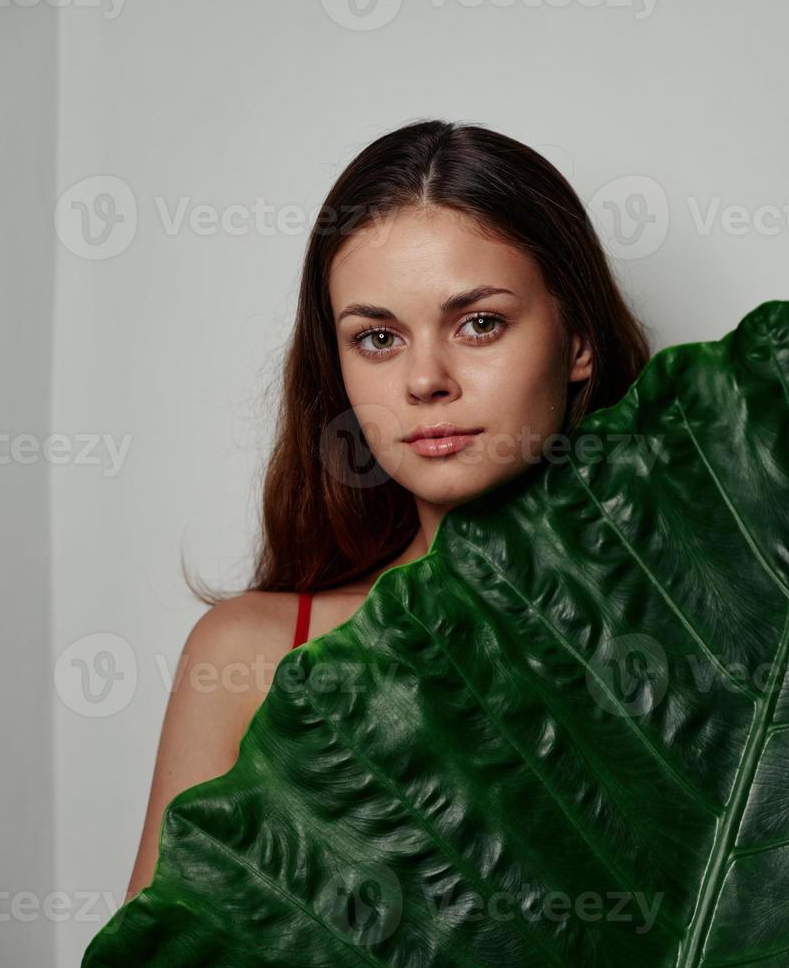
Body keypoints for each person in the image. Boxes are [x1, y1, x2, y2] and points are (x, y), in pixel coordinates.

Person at [123, 119, 653, 900]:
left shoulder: (700, 644)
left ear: (577, 337)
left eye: (479, 323)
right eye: (377, 338)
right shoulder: (254, 653)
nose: (424, 380)